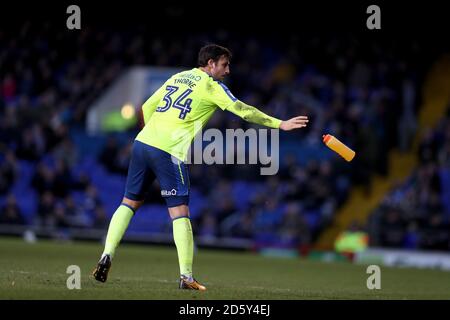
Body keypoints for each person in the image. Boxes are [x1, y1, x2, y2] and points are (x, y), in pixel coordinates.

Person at [92, 44, 309, 290]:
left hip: (142, 144)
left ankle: (106, 255)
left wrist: (152, 134)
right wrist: (280, 124)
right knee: (180, 213)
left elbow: (146, 108)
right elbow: (243, 111)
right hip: (169, 151)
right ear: (211, 64)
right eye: (225, 64)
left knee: (128, 202)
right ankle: (186, 277)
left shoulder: (178, 77)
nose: (228, 70)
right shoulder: (212, 86)